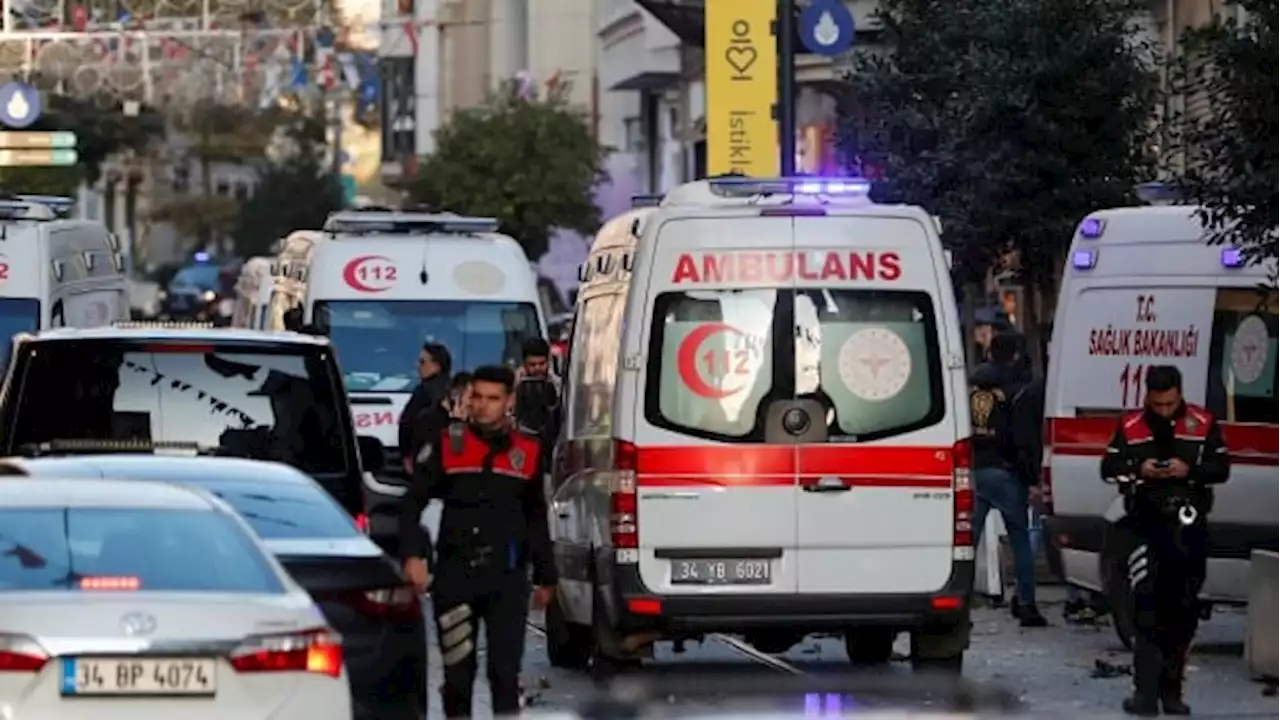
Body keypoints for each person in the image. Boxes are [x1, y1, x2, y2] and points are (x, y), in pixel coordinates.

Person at [399, 364, 556, 718]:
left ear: (509, 401)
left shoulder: (527, 451)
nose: (484, 406)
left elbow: (536, 516)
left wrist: (547, 576)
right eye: (478, 398)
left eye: (493, 399)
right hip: (456, 578)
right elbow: (412, 503)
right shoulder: (447, 445)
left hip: (507, 578)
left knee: (504, 675)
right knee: (458, 679)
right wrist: (413, 555)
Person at [1100, 365, 1229, 716]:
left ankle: (1172, 693)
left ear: (1180, 395)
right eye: (1157, 405)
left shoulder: (1202, 424)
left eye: (1170, 404)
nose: (1163, 411)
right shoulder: (1129, 426)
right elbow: (1108, 468)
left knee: (1183, 614)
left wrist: (1189, 471)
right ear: (1147, 397)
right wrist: (1140, 470)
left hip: (1188, 529)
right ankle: (1145, 694)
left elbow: (1222, 468)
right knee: (1146, 613)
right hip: (1145, 527)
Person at [969, 331, 1047, 627]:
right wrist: (1031, 478)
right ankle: (1025, 602)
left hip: (976, 469)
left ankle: (959, 602)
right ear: (1016, 355)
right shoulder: (1019, 391)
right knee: (1020, 540)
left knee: (968, 542)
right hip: (1006, 472)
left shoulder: (973, 388)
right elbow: (1024, 438)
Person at [398, 341, 452, 474]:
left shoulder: (424, 390)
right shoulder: (454, 389)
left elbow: (406, 423)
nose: (418, 366)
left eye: (422, 362)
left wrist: (406, 455)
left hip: (423, 458)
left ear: (437, 365)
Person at [512, 338, 563, 472]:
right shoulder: (516, 385)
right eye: (532, 365)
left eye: (542, 363)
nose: (538, 369)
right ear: (524, 364)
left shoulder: (558, 384)